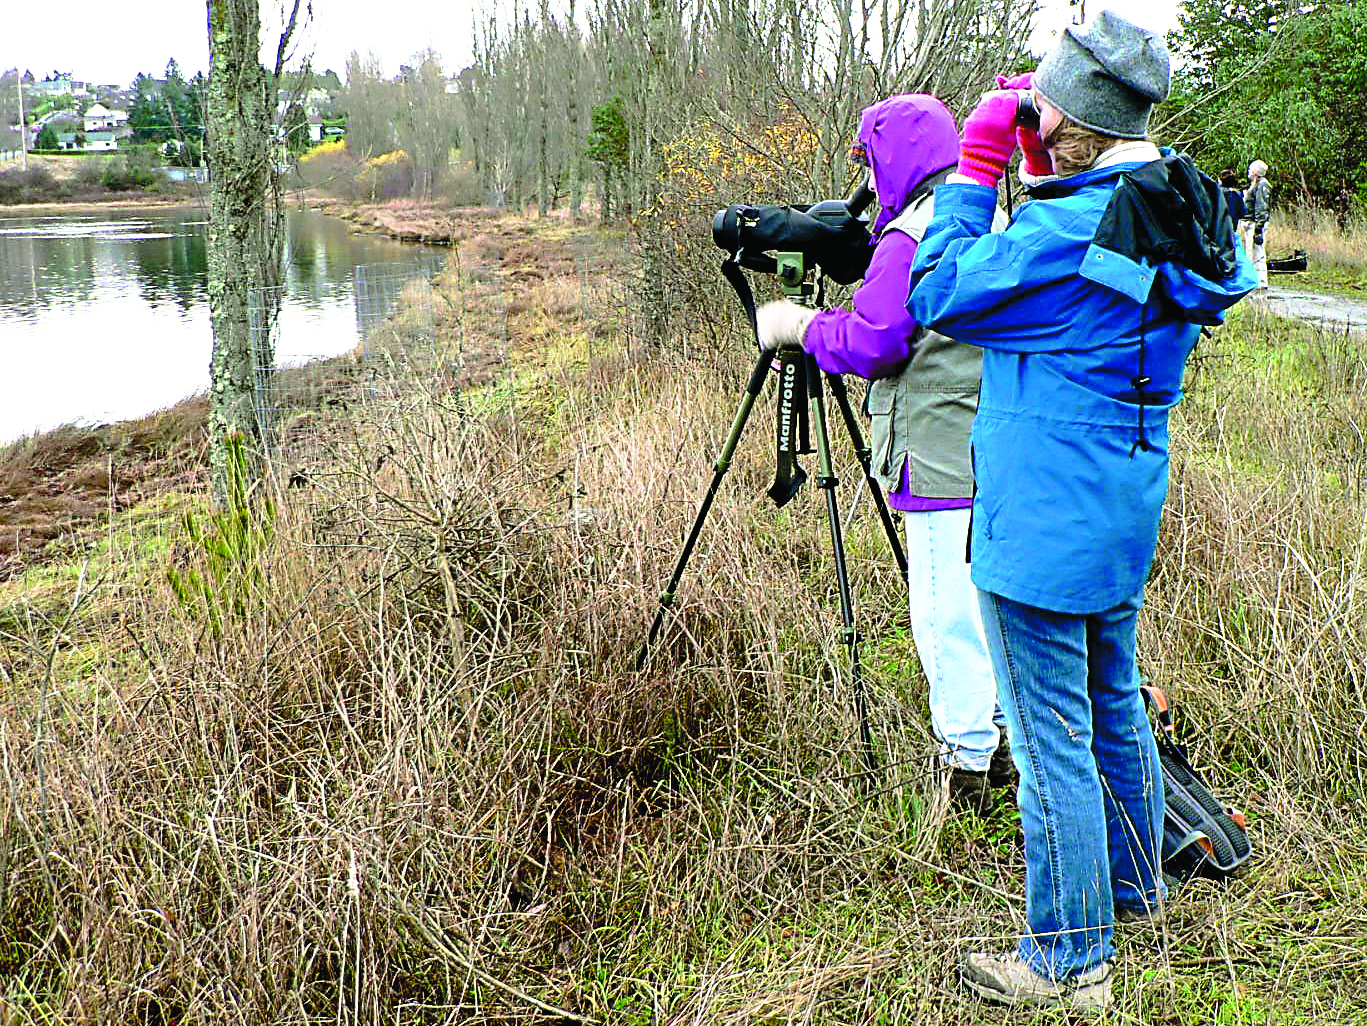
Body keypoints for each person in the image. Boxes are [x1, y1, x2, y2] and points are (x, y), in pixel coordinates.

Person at [907, 11, 1257, 1010]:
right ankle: (1134, 893)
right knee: (1110, 704)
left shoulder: (1064, 228)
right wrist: (1048, 162)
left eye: (1041, 103)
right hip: (1117, 502)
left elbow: (939, 293)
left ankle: (1067, 961)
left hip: (1038, 524)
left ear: (1075, 119)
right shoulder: (1164, 204)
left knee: (1048, 738)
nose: (1028, 113)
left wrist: (978, 170)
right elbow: (1093, 294)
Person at [753, 94, 1013, 810]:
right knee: (985, 604)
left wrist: (800, 327)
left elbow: (877, 343)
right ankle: (999, 738)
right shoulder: (984, 211)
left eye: (867, 160)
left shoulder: (914, 232)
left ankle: (966, 766)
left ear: (892, 155)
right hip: (992, 442)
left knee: (942, 611)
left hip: (936, 450)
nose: (865, 178)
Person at [1241, 158, 1272, 289]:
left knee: (1258, 252)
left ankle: (1261, 281)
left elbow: (1261, 207)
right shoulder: (1254, 184)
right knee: (1250, 252)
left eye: (1250, 169)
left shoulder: (1262, 185)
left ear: (1255, 172)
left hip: (1256, 224)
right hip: (1250, 222)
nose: (1248, 171)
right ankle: (1253, 280)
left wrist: (1258, 228)